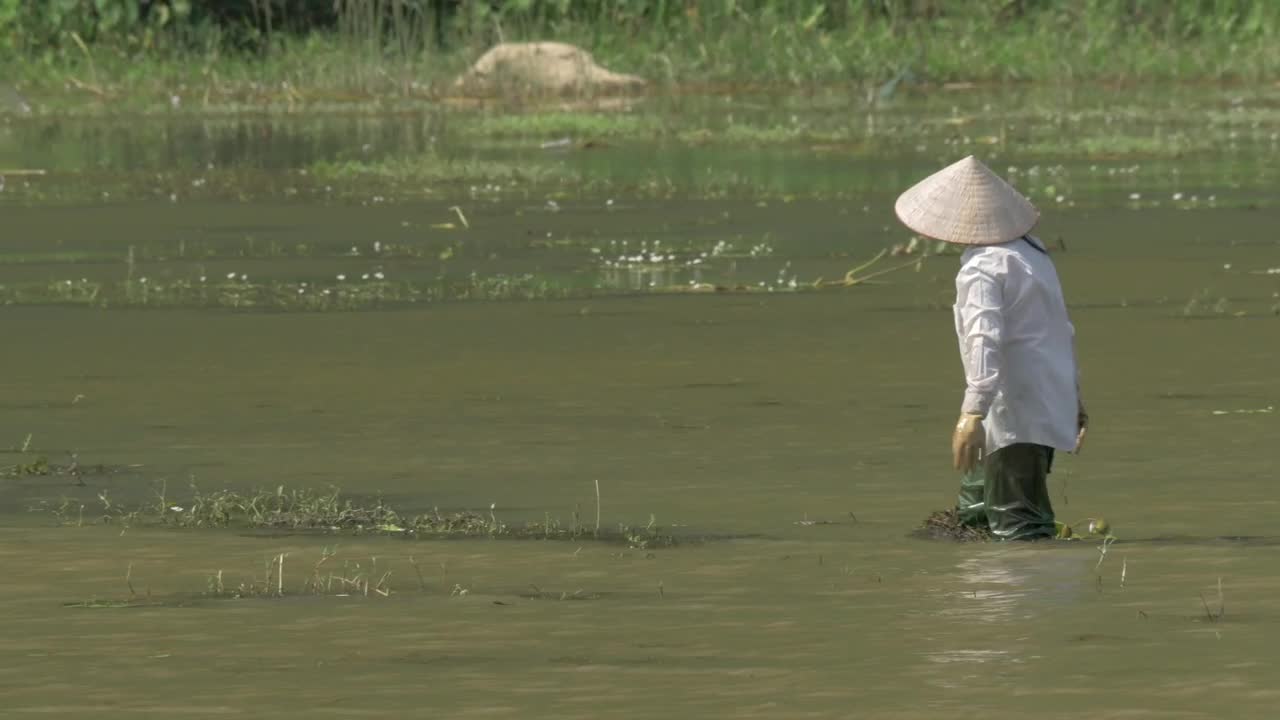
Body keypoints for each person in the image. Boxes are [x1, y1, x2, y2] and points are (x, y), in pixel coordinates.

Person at [894, 156, 1088, 540]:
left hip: (1011, 408)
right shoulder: (1030, 253)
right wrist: (1074, 398)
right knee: (976, 511)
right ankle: (983, 589)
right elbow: (1060, 330)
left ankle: (1018, 596)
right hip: (1041, 397)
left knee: (1018, 526)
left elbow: (985, 338)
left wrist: (972, 412)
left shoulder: (982, 267)